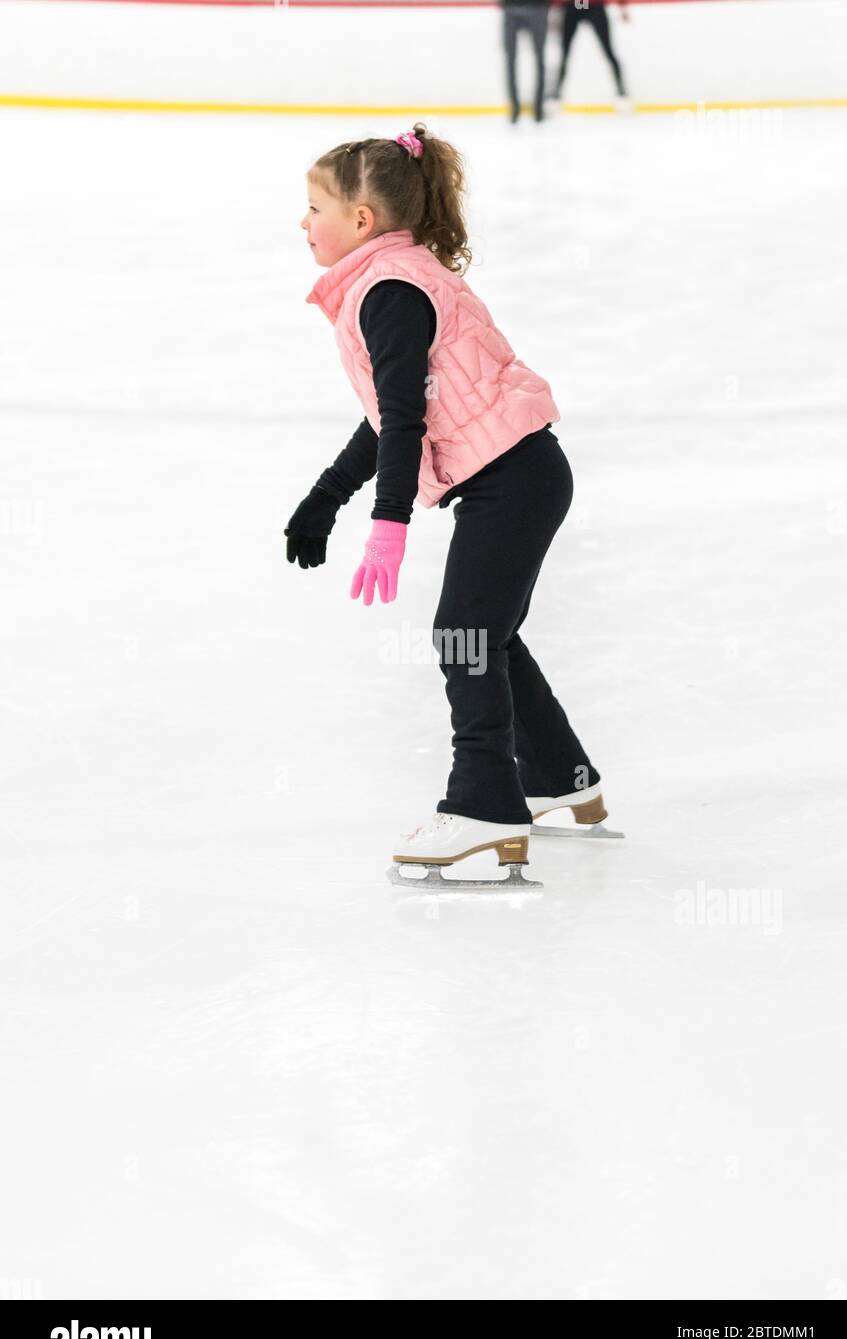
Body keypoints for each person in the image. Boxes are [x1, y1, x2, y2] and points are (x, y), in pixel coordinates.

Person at [287, 123, 610, 883]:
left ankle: (485, 806)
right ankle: (560, 778)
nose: (303, 223)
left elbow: (402, 423)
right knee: (489, 632)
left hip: (512, 480)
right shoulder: (394, 276)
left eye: (314, 207)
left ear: (361, 221)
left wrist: (387, 525)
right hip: (522, 473)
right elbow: (391, 413)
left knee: (464, 633)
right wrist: (325, 496)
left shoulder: (390, 291)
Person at [551, 0, 629, 101]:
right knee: (564, 53)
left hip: (594, 6)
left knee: (608, 50)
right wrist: (554, 9)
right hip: (573, 6)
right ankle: (556, 92)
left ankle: (621, 90)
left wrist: (622, 7)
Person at [501, 0, 551, 123]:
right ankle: (515, 109)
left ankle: (538, 109)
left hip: (537, 7)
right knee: (510, 59)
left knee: (539, 59)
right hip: (512, 8)